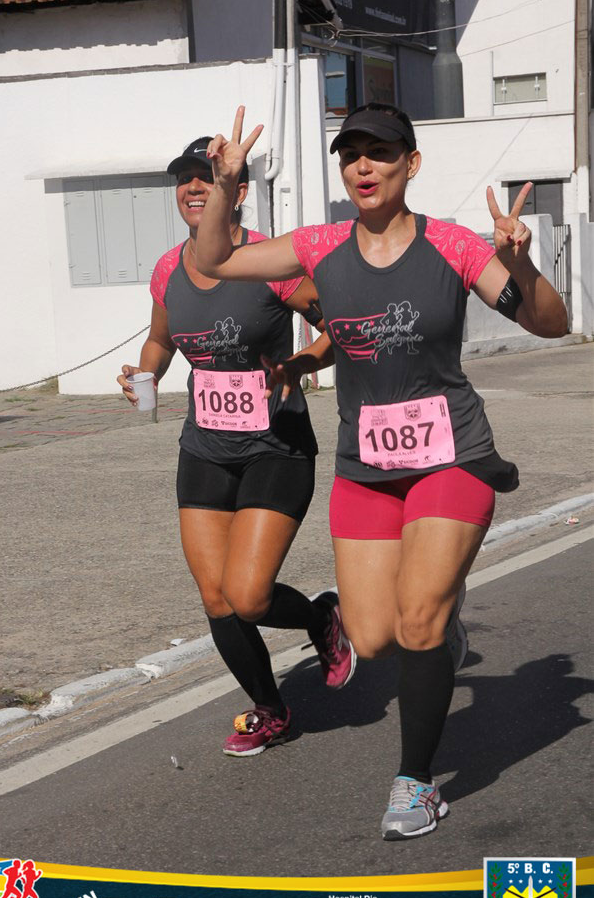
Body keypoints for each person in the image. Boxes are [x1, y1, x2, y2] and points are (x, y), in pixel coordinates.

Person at [195, 104, 568, 838]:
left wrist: (521, 261)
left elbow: (550, 323)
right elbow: (215, 263)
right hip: (365, 467)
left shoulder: (452, 245)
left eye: (380, 152)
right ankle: (442, 628)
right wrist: (227, 185)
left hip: (451, 456)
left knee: (417, 619)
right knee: (371, 638)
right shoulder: (320, 245)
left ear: (411, 164)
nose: (363, 166)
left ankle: (415, 784)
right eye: (351, 154)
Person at [118, 137, 354, 758]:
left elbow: (339, 326)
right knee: (216, 597)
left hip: (276, 447)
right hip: (205, 448)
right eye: (185, 179)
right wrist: (144, 374)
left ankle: (320, 617)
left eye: (207, 177)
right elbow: (160, 341)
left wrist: (301, 364)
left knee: (249, 595)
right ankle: (270, 709)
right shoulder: (168, 271)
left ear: (238, 192)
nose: (194, 188)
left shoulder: (268, 263)